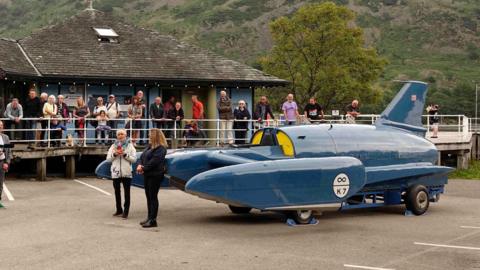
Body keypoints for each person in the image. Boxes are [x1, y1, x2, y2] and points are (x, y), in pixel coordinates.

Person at [136, 128, 168, 228]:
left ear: (156, 136)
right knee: (148, 197)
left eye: (151, 134)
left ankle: (153, 220)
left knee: (153, 197)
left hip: (155, 175)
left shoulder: (161, 149)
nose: (149, 136)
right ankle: (149, 217)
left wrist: (143, 168)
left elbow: (154, 162)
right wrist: (140, 165)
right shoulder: (150, 146)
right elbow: (142, 157)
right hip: (148, 174)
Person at [106, 129, 136, 219]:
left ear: (125, 135)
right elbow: (108, 159)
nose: (120, 135)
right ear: (117, 136)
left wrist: (125, 154)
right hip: (116, 172)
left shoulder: (130, 146)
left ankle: (126, 212)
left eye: (122, 134)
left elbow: (134, 159)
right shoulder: (113, 146)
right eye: (118, 134)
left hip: (127, 172)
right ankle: (119, 210)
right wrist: (114, 154)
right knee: (117, 192)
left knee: (127, 193)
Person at [0, 121, 12, 205]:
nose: (0, 127)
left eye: (1, 126)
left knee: (0, 183)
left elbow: (9, 152)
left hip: (2, 162)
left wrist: (6, 163)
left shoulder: (6, 138)